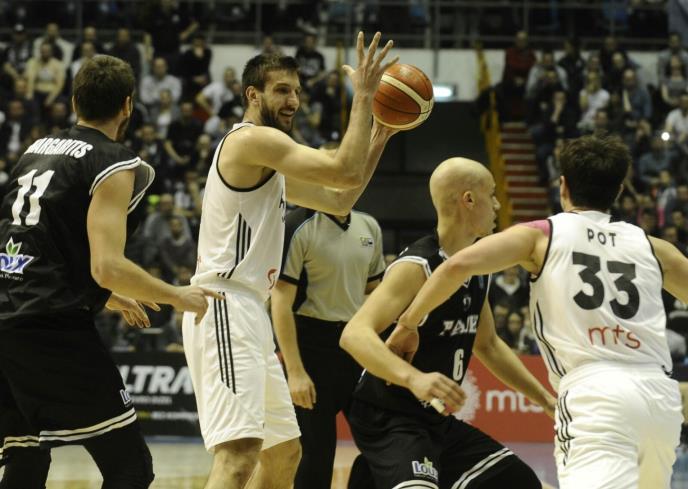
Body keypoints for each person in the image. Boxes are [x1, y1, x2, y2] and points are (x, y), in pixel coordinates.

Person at [397, 136, 685, 489]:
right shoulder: (653, 247)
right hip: (659, 396)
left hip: (594, 392)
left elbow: (456, 266)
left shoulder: (541, 235)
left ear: (563, 186)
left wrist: (409, 322)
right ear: (619, 190)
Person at [181, 32, 398, 489]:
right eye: (282, 90)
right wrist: (363, 96)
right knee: (239, 455)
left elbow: (340, 199)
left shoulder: (270, 166)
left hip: (248, 311)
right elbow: (343, 170)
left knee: (285, 453)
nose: (293, 101)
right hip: (223, 303)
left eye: (297, 91)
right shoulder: (251, 142)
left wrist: (379, 137)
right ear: (252, 95)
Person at [0, 55, 219, 488]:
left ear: (74, 101)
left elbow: (40, 244)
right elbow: (107, 266)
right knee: (130, 467)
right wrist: (177, 295)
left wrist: (107, 296)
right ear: (128, 106)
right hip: (49, 327)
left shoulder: (35, 151)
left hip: (6, 316)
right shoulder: (113, 162)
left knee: (26, 460)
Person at [339, 157, 556, 489]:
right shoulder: (417, 265)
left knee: (521, 483)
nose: (498, 205)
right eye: (492, 195)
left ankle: (369, 478)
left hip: (436, 420)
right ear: (469, 199)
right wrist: (414, 379)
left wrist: (543, 399)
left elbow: (488, 345)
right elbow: (353, 335)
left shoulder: (477, 267)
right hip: (389, 415)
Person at [271, 206, 386, 489]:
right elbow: (280, 301)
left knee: (384, 442)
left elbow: (376, 292)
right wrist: (295, 371)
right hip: (311, 346)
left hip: (356, 341)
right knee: (316, 453)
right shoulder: (297, 225)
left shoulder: (369, 225)